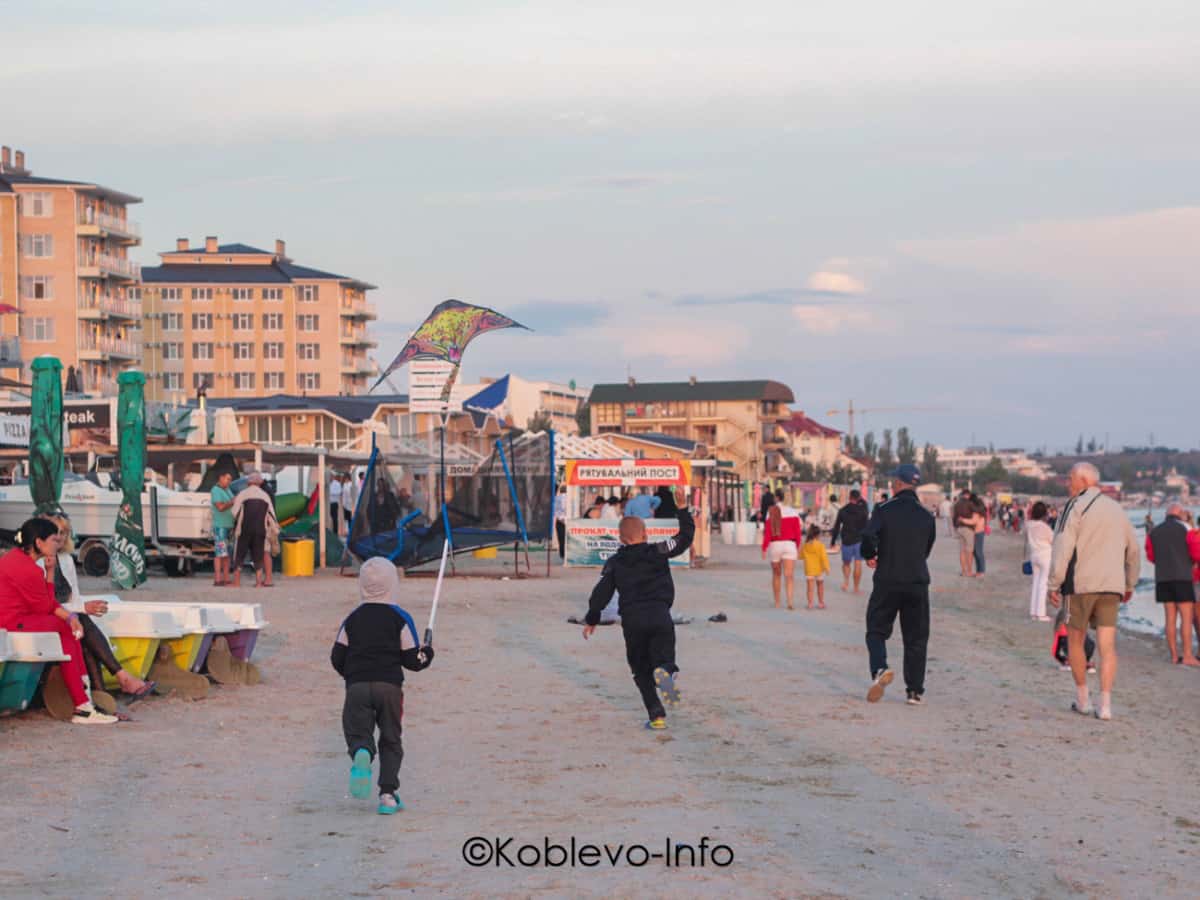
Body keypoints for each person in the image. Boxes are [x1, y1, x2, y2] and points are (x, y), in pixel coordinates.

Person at [582, 488, 694, 730]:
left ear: (621, 539)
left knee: (640, 671)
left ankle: (656, 716)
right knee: (664, 658)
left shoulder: (615, 562)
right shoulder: (658, 551)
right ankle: (665, 671)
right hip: (660, 616)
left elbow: (600, 593)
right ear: (646, 534)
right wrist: (682, 510)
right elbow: (684, 538)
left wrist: (592, 618)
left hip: (632, 621)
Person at [331, 557, 434, 815]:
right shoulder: (399, 617)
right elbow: (412, 660)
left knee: (358, 732)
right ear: (392, 585)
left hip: (357, 686)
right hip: (389, 687)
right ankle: (388, 794)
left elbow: (337, 656)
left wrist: (351, 676)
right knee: (391, 738)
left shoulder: (352, 619)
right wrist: (427, 653)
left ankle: (362, 752)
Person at [1047, 462, 1140, 721]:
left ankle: (1084, 699)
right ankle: (1106, 705)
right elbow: (1133, 550)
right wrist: (1130, 583)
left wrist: (1054, 583)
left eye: (1070, 479)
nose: (1068, 483)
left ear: (1084, 481)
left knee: (1075, 640)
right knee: (1107, 645)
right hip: (1112, 585)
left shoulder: (1075, 506)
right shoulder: (1117, 509)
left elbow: (1062, 546)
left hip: (1081, 585)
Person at [0, 518, 116, 723]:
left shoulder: (16, 558)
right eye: (54, 539)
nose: (59, 542)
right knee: (65, 627)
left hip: (17, 617)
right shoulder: (28, 569)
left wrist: (51, 572)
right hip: (12, 621)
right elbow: (47, 605)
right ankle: (83, 704)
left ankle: (84, 700)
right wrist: (71, 617)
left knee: (66, 627)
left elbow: (46, 602)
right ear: (38, 542)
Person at [45, 514, 154, 702]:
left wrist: (83, 607)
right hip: (47, 615)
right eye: (57, 533)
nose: (61, 537)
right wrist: (81, 608)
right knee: (82, 620)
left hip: (66, 614)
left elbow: (74, 597)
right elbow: (46, 602)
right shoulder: (40, 562)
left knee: (84, 632)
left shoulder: (66, 560)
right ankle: (122, 678)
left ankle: (102, 696)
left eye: (65, 533)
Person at [860, 465, 936, 705]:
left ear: (899, 483)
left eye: (894, 480)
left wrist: (870, 553)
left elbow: (868, 536)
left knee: (876, 629)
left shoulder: (884, 509)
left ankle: (880, 669)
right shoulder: (926, 515)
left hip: (888, 579)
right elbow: (927, 548)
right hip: (917, 581)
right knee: (916, 638)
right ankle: (914, 691)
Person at [1145, 503, 1200, 665]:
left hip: (1162, 578)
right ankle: (1188, 656)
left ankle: (1174, 656)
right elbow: (1196, 551)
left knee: (1169, 618)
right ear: (1179, 513)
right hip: (1182, 577)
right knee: (1186, 617)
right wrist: (1191, 562)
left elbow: (1150, 555)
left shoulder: (1154, 531)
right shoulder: (1186, 528)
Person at [232, 472, 276, 588]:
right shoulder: (265, 495)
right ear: (259, 482)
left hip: (245, 529)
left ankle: (236, 582)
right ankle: (258, 583)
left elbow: (234, 512)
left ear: (248, 482)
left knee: (240, 554)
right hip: (260, 530)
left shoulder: (243, 494)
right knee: (258, 555)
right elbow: (271, 514)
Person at [761, 492, 800, 610]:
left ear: (775, 498)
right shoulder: (793, 512)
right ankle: (790, 602)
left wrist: (764, 547)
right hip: (790, 544)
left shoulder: (771, 512)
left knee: (776, 575)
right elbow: (797, 532)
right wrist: (797, 546)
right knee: (789, 576)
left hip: (775, 545)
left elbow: (767, 532)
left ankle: (777, 602)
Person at [830, 489, 870, 593]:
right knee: (858, 563)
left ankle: (846, 582)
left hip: (846, 540)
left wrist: (833, 541)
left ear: (849, 497)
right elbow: (868, 524)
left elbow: (837, 527)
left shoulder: (843, 510)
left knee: (846, 563)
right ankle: (856, 588)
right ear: (858, 498)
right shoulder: (863, 511)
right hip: (859, 540)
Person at [1025, 501, 1054, 621]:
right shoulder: (1044, 527)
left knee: (1036, 583)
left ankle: (1033, 612)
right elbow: (1052, 540)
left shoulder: (1028, 525)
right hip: (1045, 555)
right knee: (1043, 584)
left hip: (1034, 555)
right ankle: (1041, 614)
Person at [210, 471, 236, 587]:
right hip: (220, 525)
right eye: (227, 479)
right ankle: (217, 579)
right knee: (219, 553)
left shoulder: (227, 489)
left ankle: (225, 578)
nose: (229, 481)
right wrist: (232, 502)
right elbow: (220, 507)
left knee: (227, 553)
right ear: (220, 478)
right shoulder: (216, 490)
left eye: (230, 479)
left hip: (229, 525)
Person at [801, 524, 830, 610]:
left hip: (809, 569)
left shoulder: (805, 545)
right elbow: (824, 558)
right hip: (819, 570)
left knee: (810, 588)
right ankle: (821, 603)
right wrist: (827, 568)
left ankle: (810, 603)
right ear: (818, 535)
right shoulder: (820, 545)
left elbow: (801, 556)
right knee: (820, 586)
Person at [953, 489, 976, 577]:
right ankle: (969, 571)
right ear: (968, 495)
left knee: (962, 551)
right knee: (969, 550)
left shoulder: (957, 504)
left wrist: (955, 527)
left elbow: (954, 516)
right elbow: (976, 512)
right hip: (968, 528)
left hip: (959, 528)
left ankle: (963, 571)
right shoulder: (970, 503)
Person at [970, 492, 987, 578]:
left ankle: (981, 571)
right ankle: (979, 571)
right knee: (976, 552)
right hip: (979, 532)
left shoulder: (977, 511)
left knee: (978, 552)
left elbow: (974, 521)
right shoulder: (981, 510)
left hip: (978, 532)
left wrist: (962, 520)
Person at [554, 485, 568, 561]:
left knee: (561, 539)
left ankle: (562, 555)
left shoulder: (556, 498)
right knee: (568, 539)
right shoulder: (569, 498)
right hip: (568, 521)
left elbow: (555, 511)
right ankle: (567, 555)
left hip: (559, 521)